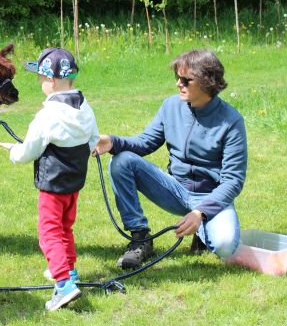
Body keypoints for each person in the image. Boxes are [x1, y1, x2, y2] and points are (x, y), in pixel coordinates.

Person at [95, 49, 247, 269]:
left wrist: (201, 213)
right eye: (177, 77)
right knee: (121, 161)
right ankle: (140, 237)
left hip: (209, 195)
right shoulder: (170, 106)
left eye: (185, 80)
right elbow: (145, 142)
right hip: (175, 189)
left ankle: (202, 232)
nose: (178, 84)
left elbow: (233, 181)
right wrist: (112, 142)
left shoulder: (231, 121)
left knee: (224, 246)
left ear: (207, 81)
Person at [0, 47, 99, 311]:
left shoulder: (47, 116)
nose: (40, 82)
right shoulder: (85, 106)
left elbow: (30, 150)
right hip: (74, 184)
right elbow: (93, 139)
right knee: (65, 227)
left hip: (52, 186)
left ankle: (63, 284)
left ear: (51, 81)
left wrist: (14, 152)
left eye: (41, 78)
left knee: (49, 232)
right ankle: (70, 269)